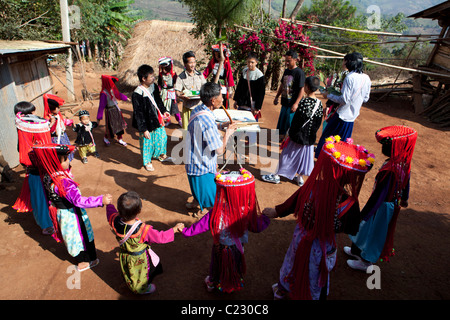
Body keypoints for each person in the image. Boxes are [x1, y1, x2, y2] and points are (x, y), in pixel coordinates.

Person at [263, 136, 374, 300]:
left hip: (301, 237)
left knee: (292, 263)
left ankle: (282, 290)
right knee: (316, 273)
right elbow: (351, 227)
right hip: (324, 245)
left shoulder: (313, 187)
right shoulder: (349, 204)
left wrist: (275, 212)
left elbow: (292, 203)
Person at [182, 168, 270, 293]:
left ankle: (212, 283)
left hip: (220, 247)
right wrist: (266, 218)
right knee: (236, 263)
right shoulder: (247, 212)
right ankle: (235, 281)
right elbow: (257, 227)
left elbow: (200, 226)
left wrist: (186, 231)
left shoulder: (216, 212)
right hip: (237, 247)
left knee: (217, 265)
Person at [345, 125, 417, 271]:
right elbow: (406, 182)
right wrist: (405, 198)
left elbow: (379, 195)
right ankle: (356, 251)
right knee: (366, 230)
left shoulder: (389, 171)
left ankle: (366, 261)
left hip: (382, 206)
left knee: (374, 232)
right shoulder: (403, 162)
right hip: (387, 203)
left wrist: (364, 214)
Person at [32, 143, 112, 272]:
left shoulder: (48, 176)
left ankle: (82, 259)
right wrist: (100, 200)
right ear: (56, 163)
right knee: (82, 237)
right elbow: (78, 200)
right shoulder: (63, 182)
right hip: (73, 215)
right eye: (65, 159)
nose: (69, 160)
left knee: (71, 238)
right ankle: (86, 261)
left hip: (62, 214)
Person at [106, 191, 184, 294]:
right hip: (140, 259)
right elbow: (160, 237)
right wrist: (173, 230)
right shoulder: (143, 229)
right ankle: (142, 289)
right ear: (139, 210)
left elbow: (110, 213)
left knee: (128, 269)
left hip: (126, 255)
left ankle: (129, 282)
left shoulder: (114, 220)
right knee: (141, 273)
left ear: (119, 211)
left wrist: (109, 204)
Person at [185, 82, 237, 216]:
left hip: (192, 158)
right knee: (209, 195)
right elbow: (220, 150)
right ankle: (205, 211)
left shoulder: (199, 109)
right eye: (221, 96)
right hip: (201, 164)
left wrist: (221, 125)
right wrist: (228, 133)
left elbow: (208, 126)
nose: (223, 98)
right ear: (213, 100)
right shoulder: (207, 121)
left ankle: (196, 201)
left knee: (196, 186)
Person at [262, 76, 323, 186]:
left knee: (287, 155)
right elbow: (317, 122)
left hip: (297, 136)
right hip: (309, 138)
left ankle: (276, 176)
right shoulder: (319, 104)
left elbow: (297, 121)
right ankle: (300, 178)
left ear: (307, 87)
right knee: (303, 158)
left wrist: (288, 133)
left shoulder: (304, 102)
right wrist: (311, 135)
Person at [315, 52, 371, 159]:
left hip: (341, 115)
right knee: (343, 142)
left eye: (345, 61)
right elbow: (366, 98)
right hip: (352, 117)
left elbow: (344, 99)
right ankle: (337, 161)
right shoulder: (366, 78)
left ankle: (321, 158)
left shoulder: (349, 77)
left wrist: (329, 95)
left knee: (327, 138)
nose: (343, 63)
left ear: (350, 62)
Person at [12, 101, 54, 236]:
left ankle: (46, 221)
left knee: (40, 197)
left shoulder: (23, 130)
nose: (34, 115)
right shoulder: (29, 129)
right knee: (41, 197)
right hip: (37, 170)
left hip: (35, 170)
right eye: (32, 112)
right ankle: (46, 225)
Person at [132, 64, 173, 172]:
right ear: (143, 79)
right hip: (146, 123)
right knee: (147, 143)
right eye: (151, 76)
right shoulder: (137, 93)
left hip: (157, 119)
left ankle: (162, 155)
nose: (153, 78)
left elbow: (158, 101)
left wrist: (164, 111)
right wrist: (143, 129)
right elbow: (138, 113)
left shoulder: (153, 86)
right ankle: (147, 161)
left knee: (162, 138)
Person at [273, 50, 305, 141]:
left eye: (289, 61)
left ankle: (288, 139)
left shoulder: (299, 73)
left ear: (295, 60)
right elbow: (282, 84)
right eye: (286, 60)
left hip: (293, 103)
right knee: (282, 120)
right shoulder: (286, 71)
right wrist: (277, 96)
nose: (287, 63)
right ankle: (281, 136)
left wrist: (296, 103)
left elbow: (301, 89)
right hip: (285, 101)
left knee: (290, 121)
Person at [174, 51, 206, 130]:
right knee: (188, 131)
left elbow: (205, 87)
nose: (193, 65)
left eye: (194, 62)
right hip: (188, 108)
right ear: (185, 64)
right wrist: (181, 96)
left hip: (199, 107)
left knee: (199, 130)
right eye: (190, 62)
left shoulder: (199, 75)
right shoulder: (181, 77)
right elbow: (177, 91)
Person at [97, 75, 129, 147]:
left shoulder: (112, 90)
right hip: (109, 111)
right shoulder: (104, 93)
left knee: (119, 124)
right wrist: (99, 118)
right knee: (110, 126)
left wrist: (126, 98)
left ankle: (120, 138)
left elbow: (119, 95)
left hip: (116, 109)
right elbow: (101, 106)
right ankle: (106, 138)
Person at [233, 51, 266, 121]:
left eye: (252, 62)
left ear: (256, 62)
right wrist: (236, 100)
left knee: (251, 125)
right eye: (248, 62)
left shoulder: (259, 75)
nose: (250, 64)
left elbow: (261, 93)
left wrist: (257, 107)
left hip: (252, 106)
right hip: (242, 103)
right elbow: (239, 87)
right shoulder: (244, 71)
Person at [43, 93, 74, 162]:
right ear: (52, 108)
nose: (59, 109)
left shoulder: (57, 115)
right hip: (56, 139)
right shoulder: (48, 119)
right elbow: (47, 130)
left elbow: (62, 123)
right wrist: (51, 124)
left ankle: (67, 162)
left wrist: (70, 122)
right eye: (58, 107)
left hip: (63, 136)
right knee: (60, 154)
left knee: (66, 151)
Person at [203, 44, 235, 109]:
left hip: (223, 84)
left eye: (219, 54)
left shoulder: (226, 63)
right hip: (214, 83)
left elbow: (229, 75)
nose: (218, 56)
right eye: (216, 54)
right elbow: (206, 73)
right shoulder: (212, 62)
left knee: (223, 101)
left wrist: (230, 88)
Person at [158, 56, 182, 127]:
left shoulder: (173, 74)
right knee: (165, 107)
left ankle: (179, 120)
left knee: (174, 106)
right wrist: (159, 90)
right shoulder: (161, 75)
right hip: (164, 93)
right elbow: (159, 83)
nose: (164, 70)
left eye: (166, 68)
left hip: (171, 92)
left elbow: (177, 83)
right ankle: (168, 120)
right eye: (163, 69)